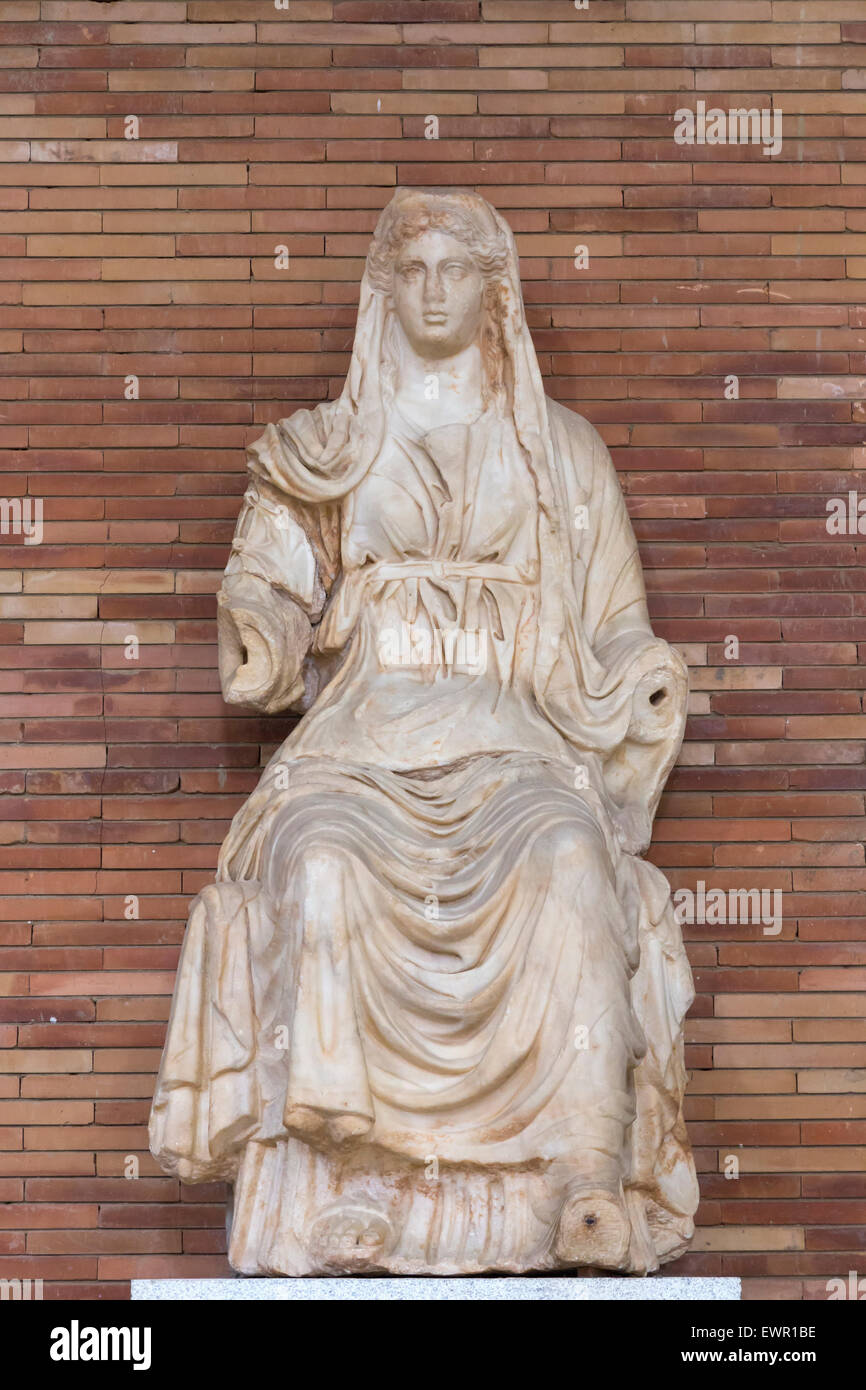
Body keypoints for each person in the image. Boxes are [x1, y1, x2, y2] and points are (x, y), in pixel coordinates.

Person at [150, 188, 698, 1276]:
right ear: (383, 288)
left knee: (568, 863)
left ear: (495, 295)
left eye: (458, 270)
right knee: (317, 865)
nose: (435, 290)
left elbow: (615, 626)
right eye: (415, 270)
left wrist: (641, 677)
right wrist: (259, 619)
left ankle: (580, 1181)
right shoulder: (325, 452)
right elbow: (266, 581)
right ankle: (347, 1188)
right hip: (359, 750)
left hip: (514, 748)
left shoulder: (564, 458)